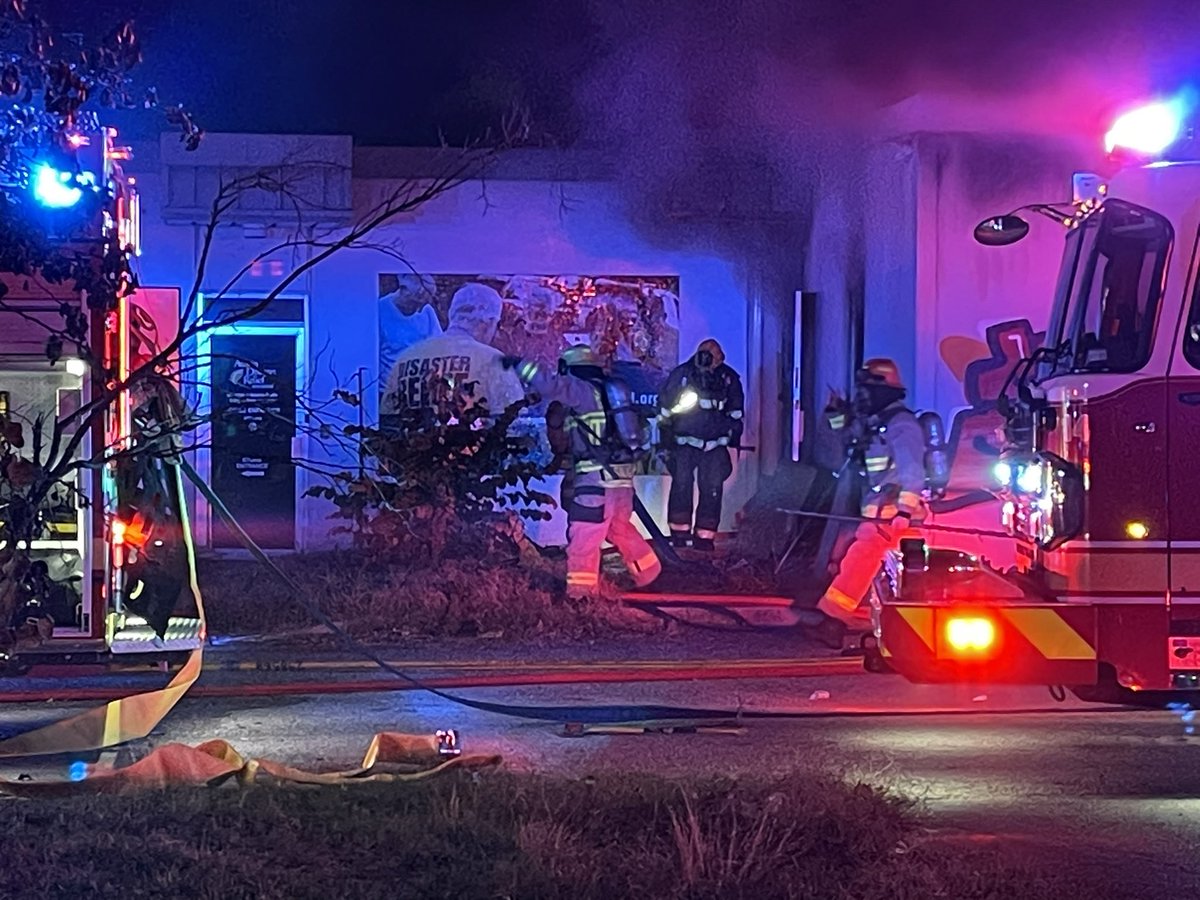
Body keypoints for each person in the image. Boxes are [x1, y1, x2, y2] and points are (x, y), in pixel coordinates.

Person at [505, 345, 661, 599]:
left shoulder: (582, 390)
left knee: (583, 537)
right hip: (622, 481)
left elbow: (550, 385)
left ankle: (581, 595)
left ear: (571, 369)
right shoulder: (610, 393)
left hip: (594, 481)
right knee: (619, 529)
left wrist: (521, 364)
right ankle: (650, 574)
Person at [803, 358, 926, 647]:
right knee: (869, 563)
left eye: (867, 390)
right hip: (879, 511)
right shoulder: (876, 423)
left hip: (893, 511)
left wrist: (905, 510)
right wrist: (836, 413)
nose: (863, 396)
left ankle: (833, 622)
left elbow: (912, 471)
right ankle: (894, 627)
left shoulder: (902, 424)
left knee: (860, 560)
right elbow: (848, 440)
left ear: (883, 391)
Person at [381, 283, 524, 428]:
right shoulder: (493, 360)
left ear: (452, 314)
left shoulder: (406, 357)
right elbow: (516, 423)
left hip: (409, 449)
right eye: (496, 324)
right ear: (487, 321)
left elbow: (386, 420)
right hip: (472, 448)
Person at [657, 339, 743, 551]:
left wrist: (733, 442)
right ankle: (679, 534)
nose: (711, 363)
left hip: (715, 447)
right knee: (682, 486)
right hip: (684, 444)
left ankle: (705, 537)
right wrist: (666, 443)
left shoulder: (728, 378)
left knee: (712, 488)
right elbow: (665, 410)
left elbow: (736, 414)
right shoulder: (682, 376)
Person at [378, 274, 443, 380]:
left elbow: (438, 347)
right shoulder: (380, 310)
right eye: (416, 303)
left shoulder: (427, 311)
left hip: (420, 386)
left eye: (424, 303)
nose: (419, 310)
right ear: (403, 291)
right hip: (388, 389)